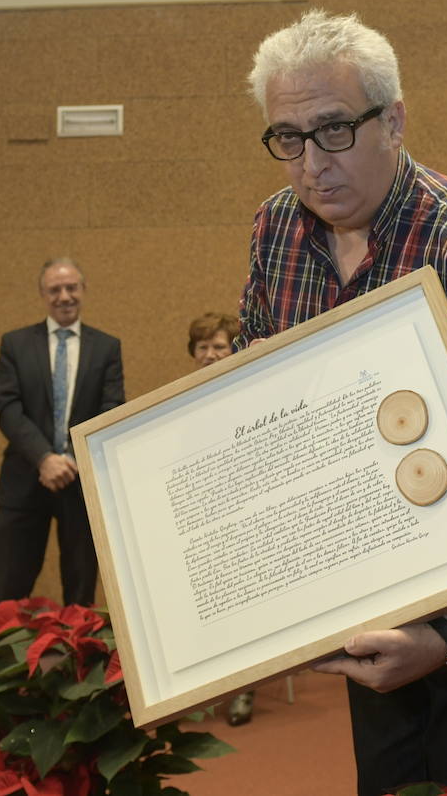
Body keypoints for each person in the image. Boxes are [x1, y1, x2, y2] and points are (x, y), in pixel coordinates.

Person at [240, 10, 447, 796]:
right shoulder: (275, 230)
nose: (310, 164)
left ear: (393, 120)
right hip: (380, 568)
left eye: (331, 130)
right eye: (285, 137)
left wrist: (444, 628)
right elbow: (263, 390)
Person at [0, 258, 124, 607]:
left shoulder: (106, 348)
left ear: (83, 290)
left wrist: (71, 459)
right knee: (9, 596)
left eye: (71, 288)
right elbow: (8, 409)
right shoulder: (15, 344)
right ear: (42, 294)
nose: (64, 296)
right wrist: (45, 458)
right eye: (55, 289)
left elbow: (111, 410)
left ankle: (77, 665)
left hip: (81, 486)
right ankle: (7, 659)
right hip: (23, 483)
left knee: (80, 598)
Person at [184, 311, 255, 728]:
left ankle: (244, 688)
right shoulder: (179, 402)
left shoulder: (252, 391)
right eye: (202, 347)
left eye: (219, 346)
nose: (210, 355)